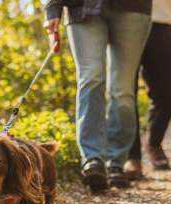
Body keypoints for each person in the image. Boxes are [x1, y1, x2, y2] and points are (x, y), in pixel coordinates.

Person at [43, 0, 151, 192]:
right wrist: (52, 9)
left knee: (122, 89)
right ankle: (93, 159)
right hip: (81, 7)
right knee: (90, 78)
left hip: (133, 8)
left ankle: (116, 161)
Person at [124, 0, 171, 179]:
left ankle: (154, 143)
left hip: (162, 21)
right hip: (124, 19)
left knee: (166, 92)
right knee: (125, 90)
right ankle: (132, 156)